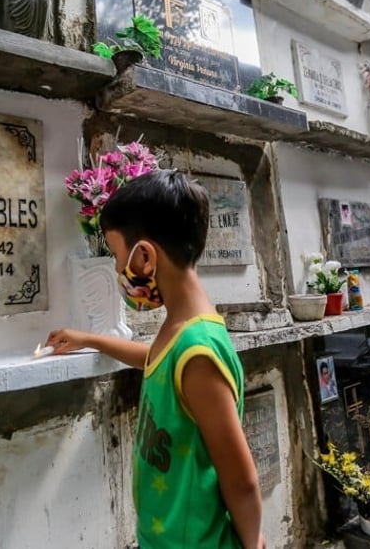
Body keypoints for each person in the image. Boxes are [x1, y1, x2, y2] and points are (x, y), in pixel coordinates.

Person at [46, 170, 265, 549]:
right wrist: (91, 340)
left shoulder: (198, 352)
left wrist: (251, 544)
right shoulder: (179, 334)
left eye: (116, 255)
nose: (118, 269)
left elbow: (242, 481)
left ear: (145, 256)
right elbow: (158, 360)